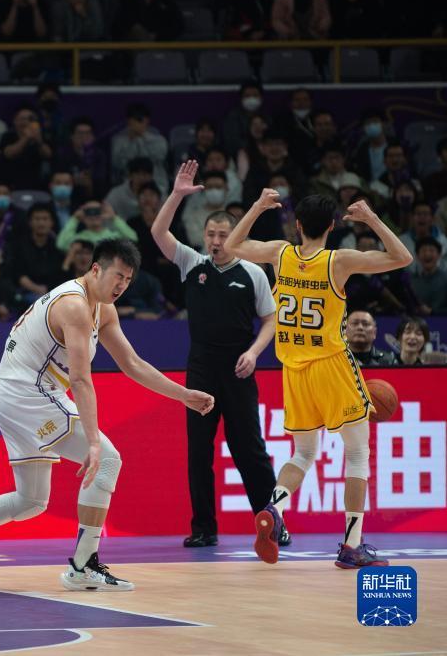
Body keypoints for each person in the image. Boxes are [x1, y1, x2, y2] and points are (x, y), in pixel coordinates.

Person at [0, 239, 215, 589]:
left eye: (128, 280)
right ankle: (83, 566)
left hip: (14, 394)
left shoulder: (104, 309)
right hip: (26, 393)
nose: (122, 285)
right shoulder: (74, 306)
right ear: (96, 269)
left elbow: (132, 363)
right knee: (108, 459)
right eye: (117, 276)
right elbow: (81, 379)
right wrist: (94, 443)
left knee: (30, 501)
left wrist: (183, 395)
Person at [226, 191, 412, 567]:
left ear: (297, 225)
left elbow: (232, 245)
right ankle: (351, 546)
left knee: (303, 453)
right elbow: (402, 257)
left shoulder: (280, 253)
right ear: (331, 226)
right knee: (357, 455)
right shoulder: (338, 261)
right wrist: (372, 219)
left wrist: (258, 207)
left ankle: (275, 508)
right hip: (332, 366)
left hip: (293, 370)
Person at [152, 161, 281, 548]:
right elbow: (158, 232)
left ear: (236, 236)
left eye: (224, 234)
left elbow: (271, 319)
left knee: (250, 451)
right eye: (211, 234)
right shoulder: (193, 264)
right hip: (201, 369)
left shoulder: (253, 273)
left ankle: (273, 524)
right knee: (199, 453)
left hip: (239, 369)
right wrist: (177, 194)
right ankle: (204, 528)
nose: (217, 241)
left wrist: (254, 352)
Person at [411, 237, 447, 314]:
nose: (427, 254)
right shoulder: (411, 281)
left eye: (431, 250)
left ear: (439, 255)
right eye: (423, 250)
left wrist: (432, 312)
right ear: (417, 256)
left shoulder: (445, 279)